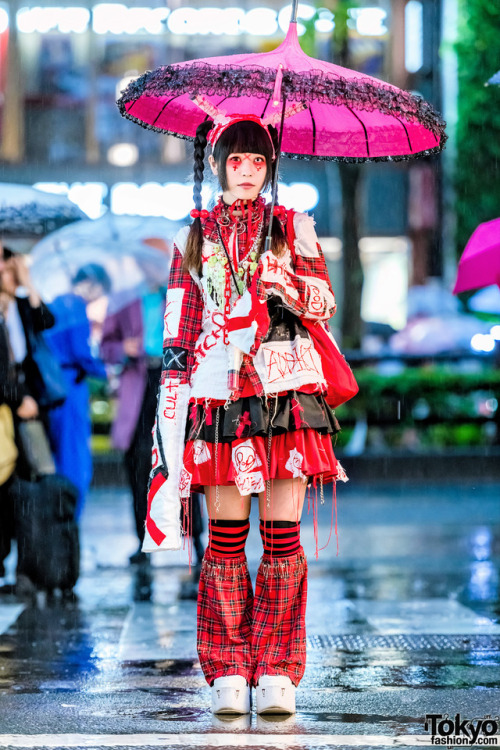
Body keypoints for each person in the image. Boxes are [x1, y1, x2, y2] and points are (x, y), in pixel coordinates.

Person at [145, 114, 346, 715]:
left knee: (282, 537)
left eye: (259, 161)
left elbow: (325, 303)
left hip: (285, 393)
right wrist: (173, 403)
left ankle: (279, 669)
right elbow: (177, 326)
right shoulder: (196, 235)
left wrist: (282, 285)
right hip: (218, 394)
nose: (247, 172)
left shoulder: (294, 226)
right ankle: (230, 667)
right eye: (236, 160)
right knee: (227, 539)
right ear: (217, 166)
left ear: (270, 168)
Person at [100, 277, 169, 566]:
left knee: (179, 465)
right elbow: (106, 347)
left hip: (170, 382)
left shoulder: (178, 295)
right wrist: (123, 349)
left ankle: (197, 540)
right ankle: (143, 540)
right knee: (139, 466)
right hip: (138, 384)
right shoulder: (125, 299)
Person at [0, 243, 52, 579]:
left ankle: (27, 561)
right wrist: (17, 398)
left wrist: (27, 280)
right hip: (9, 402)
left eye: (8, 267)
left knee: (29, 477)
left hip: (29, 399)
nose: (7, 273)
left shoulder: (18, 304)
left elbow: (46, 319)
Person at [44, 264, 110, 519]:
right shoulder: (75, 307)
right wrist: (106, 372)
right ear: (92, 283)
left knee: (57, 456)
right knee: (75, 460)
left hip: (52, 389)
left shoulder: (55, 304)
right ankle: (70, 519)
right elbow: (82, 353)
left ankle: (56, 519)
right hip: (70, 388)